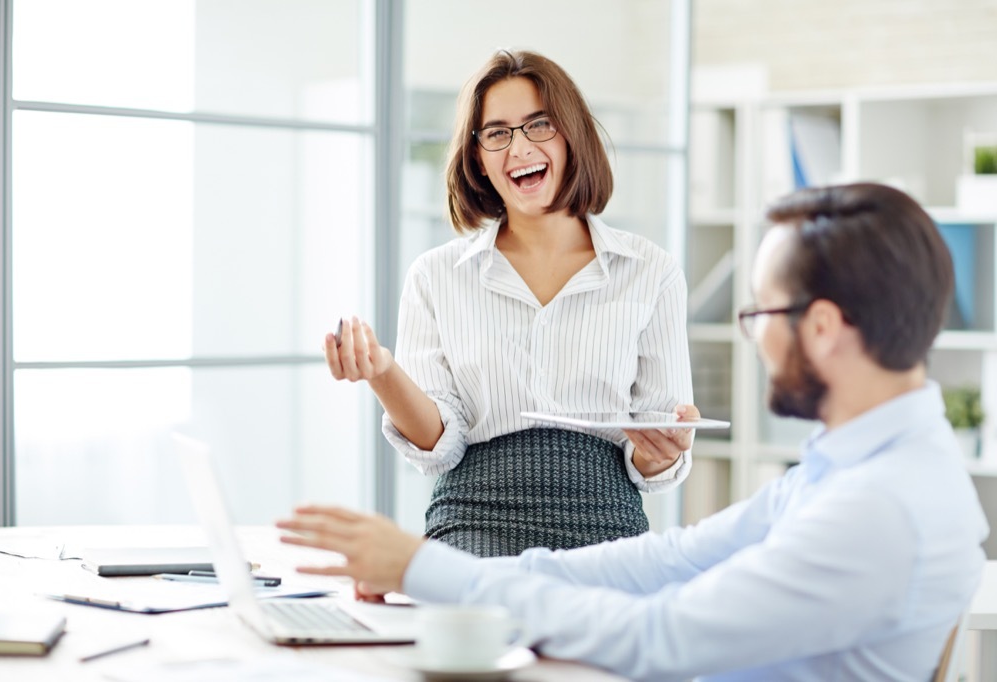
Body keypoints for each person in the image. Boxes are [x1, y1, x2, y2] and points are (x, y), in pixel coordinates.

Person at [282, 182, 989, 680]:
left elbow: (662, 635)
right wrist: (438, 572)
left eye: (760, 317)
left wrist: (421, 569)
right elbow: (668, 562)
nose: (756, 341)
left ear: (825, 327)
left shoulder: (876, 509)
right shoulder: (852, 469)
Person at [326, 49, 694, 557]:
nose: (518, 146)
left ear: (571, 136)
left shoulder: (651, 271)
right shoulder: (436, 276)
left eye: (538, 125)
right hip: (472, 523)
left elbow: (649, 456)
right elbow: (440, 444)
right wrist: (383, 372)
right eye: (497, 132)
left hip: (606, 529)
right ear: (478, 156)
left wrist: (661, 451)